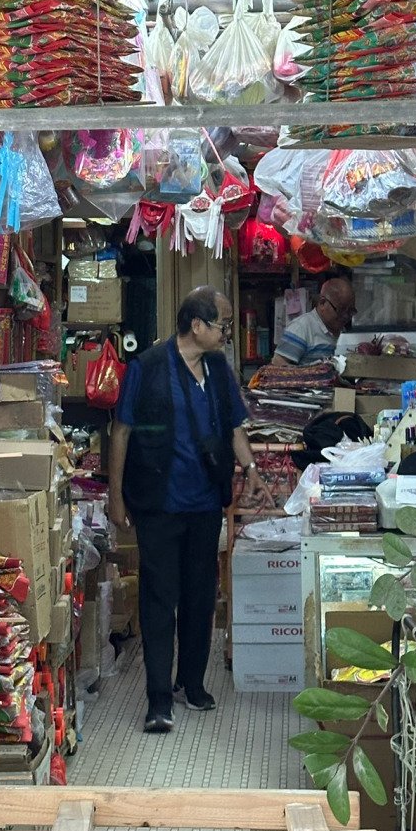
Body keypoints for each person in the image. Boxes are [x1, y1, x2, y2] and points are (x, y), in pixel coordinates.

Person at [108, 287, 273, 734]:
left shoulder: (218, 369)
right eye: (221, 323)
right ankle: (159, 698)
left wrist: (251, 468)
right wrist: (115, 495)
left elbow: (235, 427)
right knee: (160, 597)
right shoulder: (146, 367)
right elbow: (121, 431)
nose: (227, 332)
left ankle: (192, 684)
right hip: (158, 503)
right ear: (196, 326)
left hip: (205, 504)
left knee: (200, 596)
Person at [273, 275, 355, 366]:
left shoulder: (343, 331)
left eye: (350, 311)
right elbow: (278, 365)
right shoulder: (301, 328)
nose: (346, 316)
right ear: (322, 303)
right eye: (341, 310)